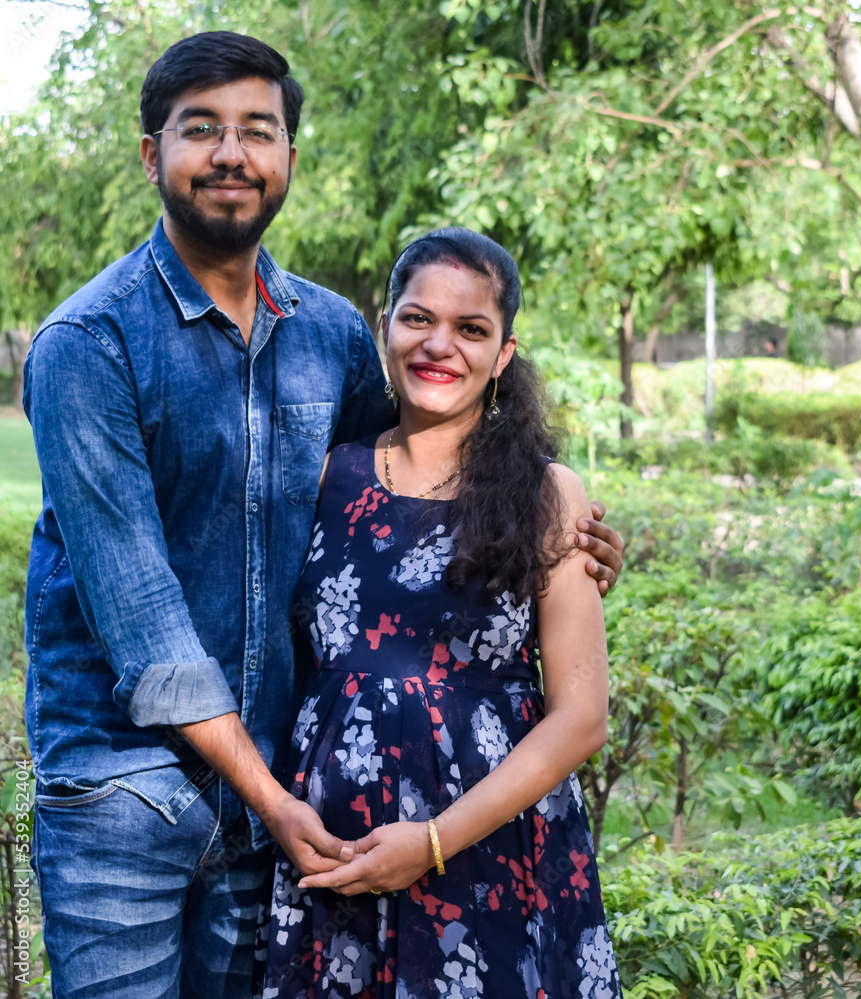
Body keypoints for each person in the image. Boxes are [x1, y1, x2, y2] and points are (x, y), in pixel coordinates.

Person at [21, 31, 624, 999]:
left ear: (289, 159)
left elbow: (423, 492)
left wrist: (561, 535)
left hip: (281, 788)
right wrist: (275, 800)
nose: (231, 154)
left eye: (257, 131)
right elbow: (142, 617)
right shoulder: (88, 345)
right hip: (129, 788)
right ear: (151, 155)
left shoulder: (330, 337)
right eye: (200, 130)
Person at [256, 228, 621, 998]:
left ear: (505, 353)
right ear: (383, 321)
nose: (439, 345)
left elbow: (583, 717)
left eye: (471, 329)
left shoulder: (548, 495)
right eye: (418, 318)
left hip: (487, 859)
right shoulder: (328, 474)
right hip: (335, 863)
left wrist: (430, 843)